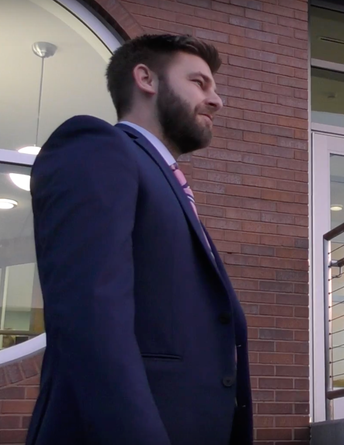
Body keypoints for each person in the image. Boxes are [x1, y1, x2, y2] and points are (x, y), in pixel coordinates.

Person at [26, 34, 251, 445]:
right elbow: (90, 317)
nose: (217, 101)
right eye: (200, 83)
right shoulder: (96, 147)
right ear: (146, 78)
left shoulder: (169, 184)